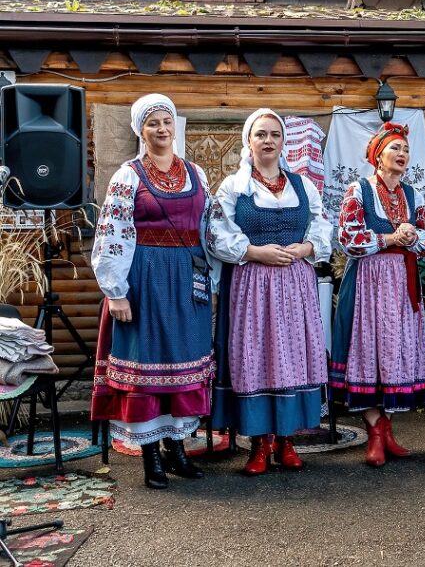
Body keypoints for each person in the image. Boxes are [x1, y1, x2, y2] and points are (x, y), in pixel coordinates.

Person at [91, 94, 217, 489]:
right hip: (143, 280)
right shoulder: (127, 176)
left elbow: (209, 230)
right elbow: (112, 235)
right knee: (146, 368)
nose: (162, 130)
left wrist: (213, 278)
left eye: (167, 122)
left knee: (184, 361)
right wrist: (116, 292)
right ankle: (151, 456)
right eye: (153, 124)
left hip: (187, 279)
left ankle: (177, 448)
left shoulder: (196, 173)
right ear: (140, 131)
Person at [208, 109, 333, 475]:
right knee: (256, 356)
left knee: (292, 355)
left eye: (274, 135)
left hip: (295, 284)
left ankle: (288, 440)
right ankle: (259, 444)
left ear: (283, 142)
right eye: (260, 134)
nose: (268, 141)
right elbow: (215, 232)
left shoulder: (303, 185)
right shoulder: (235, 186)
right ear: (249, 141)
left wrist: (307, 248)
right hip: (252, 284)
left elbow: (322, 223)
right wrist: (252, 251)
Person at [329, 122, 425, 467]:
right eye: (395, 149)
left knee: (395, 353)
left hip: (403, 288)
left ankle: (386, 429)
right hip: (368, 286)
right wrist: (391, 239)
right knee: (368, 352)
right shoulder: (357, 191)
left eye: (405, 149)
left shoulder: (414, 196)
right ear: (377, 157)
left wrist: (413, 238)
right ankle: (374, 431)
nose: (402, 154)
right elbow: (348, 238)